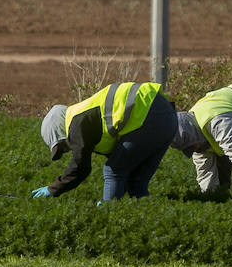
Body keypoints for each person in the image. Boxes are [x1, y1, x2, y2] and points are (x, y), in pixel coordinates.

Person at [33, 81, 178, 202]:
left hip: (148, 112)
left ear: (61, 131)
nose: (68, 149)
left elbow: (81, 167)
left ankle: (110, 213)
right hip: (167, 116)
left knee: (113, 170)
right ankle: (143, 218)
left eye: (64, 146)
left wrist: (53, 189)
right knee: (136, 181)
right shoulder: (86, 117)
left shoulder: (75, 122)